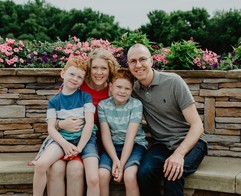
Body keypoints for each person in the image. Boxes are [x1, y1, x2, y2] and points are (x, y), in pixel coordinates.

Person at [31, 48, 120, 196]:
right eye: (95, 68)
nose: (99, 72)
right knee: (56, 168)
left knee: (75, 168)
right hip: (65, 137)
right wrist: (61, 124)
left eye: (104, 68)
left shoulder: (114, 90)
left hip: (92, 141)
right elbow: (57, 112)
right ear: (88, 70)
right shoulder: (78, 85)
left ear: (110, 70)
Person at [127, 43, 208, 196]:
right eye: (133, 61)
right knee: (144, 172)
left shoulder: (173, 82)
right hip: (162, 145)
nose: (138, 65)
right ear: (128, 65)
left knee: (172, 174)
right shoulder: (133, 90)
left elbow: (197, 125)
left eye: (142, 59)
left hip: (192, 142)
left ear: (151, 61)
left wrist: (179, 154)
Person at [98, 68, 148, 196]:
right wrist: (115, 160)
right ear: (110, 86)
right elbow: (106, 135)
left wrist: (121, 165)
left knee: (130, 176)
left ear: (132, 90)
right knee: (102, 175)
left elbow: (130, 138)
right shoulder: (103, 106)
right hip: (112, 146)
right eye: (118, 86)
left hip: (135, 145)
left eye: (127, 88)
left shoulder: (136, 105)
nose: (122, 91)